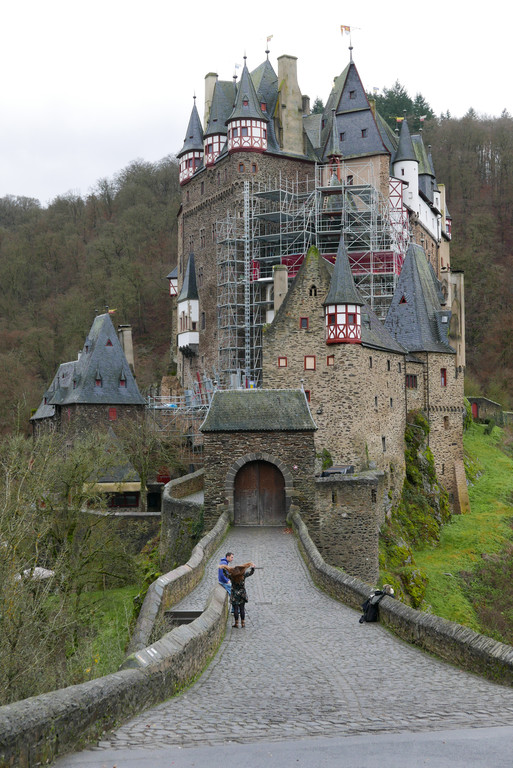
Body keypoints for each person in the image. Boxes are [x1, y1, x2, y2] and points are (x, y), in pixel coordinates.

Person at [221, 562, 255, 628]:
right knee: (242, 608)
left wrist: (223, 569)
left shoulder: (232, 576)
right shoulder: (243, 576)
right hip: (242, 594)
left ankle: (236, 623)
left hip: (234, 594)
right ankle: (243, 623)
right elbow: (251, 573)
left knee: (235, 608)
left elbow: (225, 574)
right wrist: (253, 568)